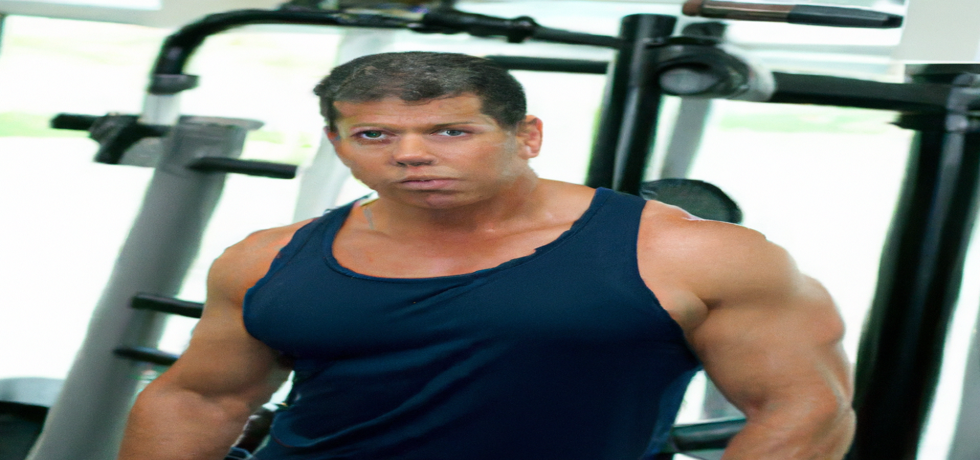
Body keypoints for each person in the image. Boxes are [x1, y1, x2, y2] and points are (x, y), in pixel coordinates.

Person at [118, 51, 854, 460]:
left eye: (450, 132)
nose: (410, 155)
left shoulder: (691, 254)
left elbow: (804, 408)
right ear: (338, 145)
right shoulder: (268, 258)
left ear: (526, 136)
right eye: (375, 136)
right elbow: (200, 398)